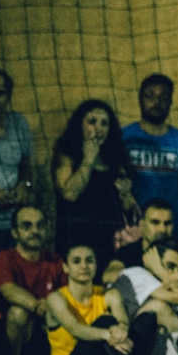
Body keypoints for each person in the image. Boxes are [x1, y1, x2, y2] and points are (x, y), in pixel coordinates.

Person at [46, 243, 158, 355]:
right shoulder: (56, 299)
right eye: (77, 261)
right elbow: (75, 329)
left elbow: (123, 321)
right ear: (65, 267)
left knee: (148, 318)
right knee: (106, 320)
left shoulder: (109, 295)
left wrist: (122, 328)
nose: (84, 266)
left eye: (89, 261)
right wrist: (108, 334)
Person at [53, 99, 137, 271]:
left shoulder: (116, 159)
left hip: (109, 242)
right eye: (92, 122)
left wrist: (125, 193)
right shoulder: (67, 153)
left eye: (104, 124)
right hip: (74, 238)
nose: (98, 128)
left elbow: (129, 208)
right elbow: (69, 194)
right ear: (80, 125)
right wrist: (88, 159)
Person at [0, 206, 63, 355]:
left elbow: (69, 294)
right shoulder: (4, 258)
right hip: (9, 336)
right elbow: (8, 289)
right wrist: (40, 306)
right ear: (15, 232)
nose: (35, 231)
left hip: (43, 333)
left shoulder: (55, 261)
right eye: (27, 226)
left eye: (40, 225)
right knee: (19, 311)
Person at [122, 73, 178, 240]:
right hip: (131, 229)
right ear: (140, 99)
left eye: (163, 97)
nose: (156, 102)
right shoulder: (124, 137)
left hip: (170, 229)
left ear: (170, 102)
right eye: (150, 96)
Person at [0, 69, 33, 262]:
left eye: (0, 93)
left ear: (9, 96)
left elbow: (26, 167)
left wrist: (24, 185)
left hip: (12, 225)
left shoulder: (19, 124)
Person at [107, 198, 176, 283]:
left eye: (167, 223)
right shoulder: (129, 252)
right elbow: (109, 275)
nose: (162, 229)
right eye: (155, 222)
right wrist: (151, 273)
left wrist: (160, 271)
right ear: (142, 226)